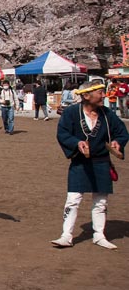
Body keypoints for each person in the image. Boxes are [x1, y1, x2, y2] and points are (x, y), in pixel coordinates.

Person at [52, 81, 128, 249]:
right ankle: (66, 235)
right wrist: (76, 143)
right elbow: (63, 133)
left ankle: (99, 235)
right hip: (80, 162)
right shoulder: (71, 113)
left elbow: (122, 132)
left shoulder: (107, 114)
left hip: (101, 162)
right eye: (100, 92)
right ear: (86, 96)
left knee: (101, 201)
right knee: (73, 199)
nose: (104, 95)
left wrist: (117, 142)